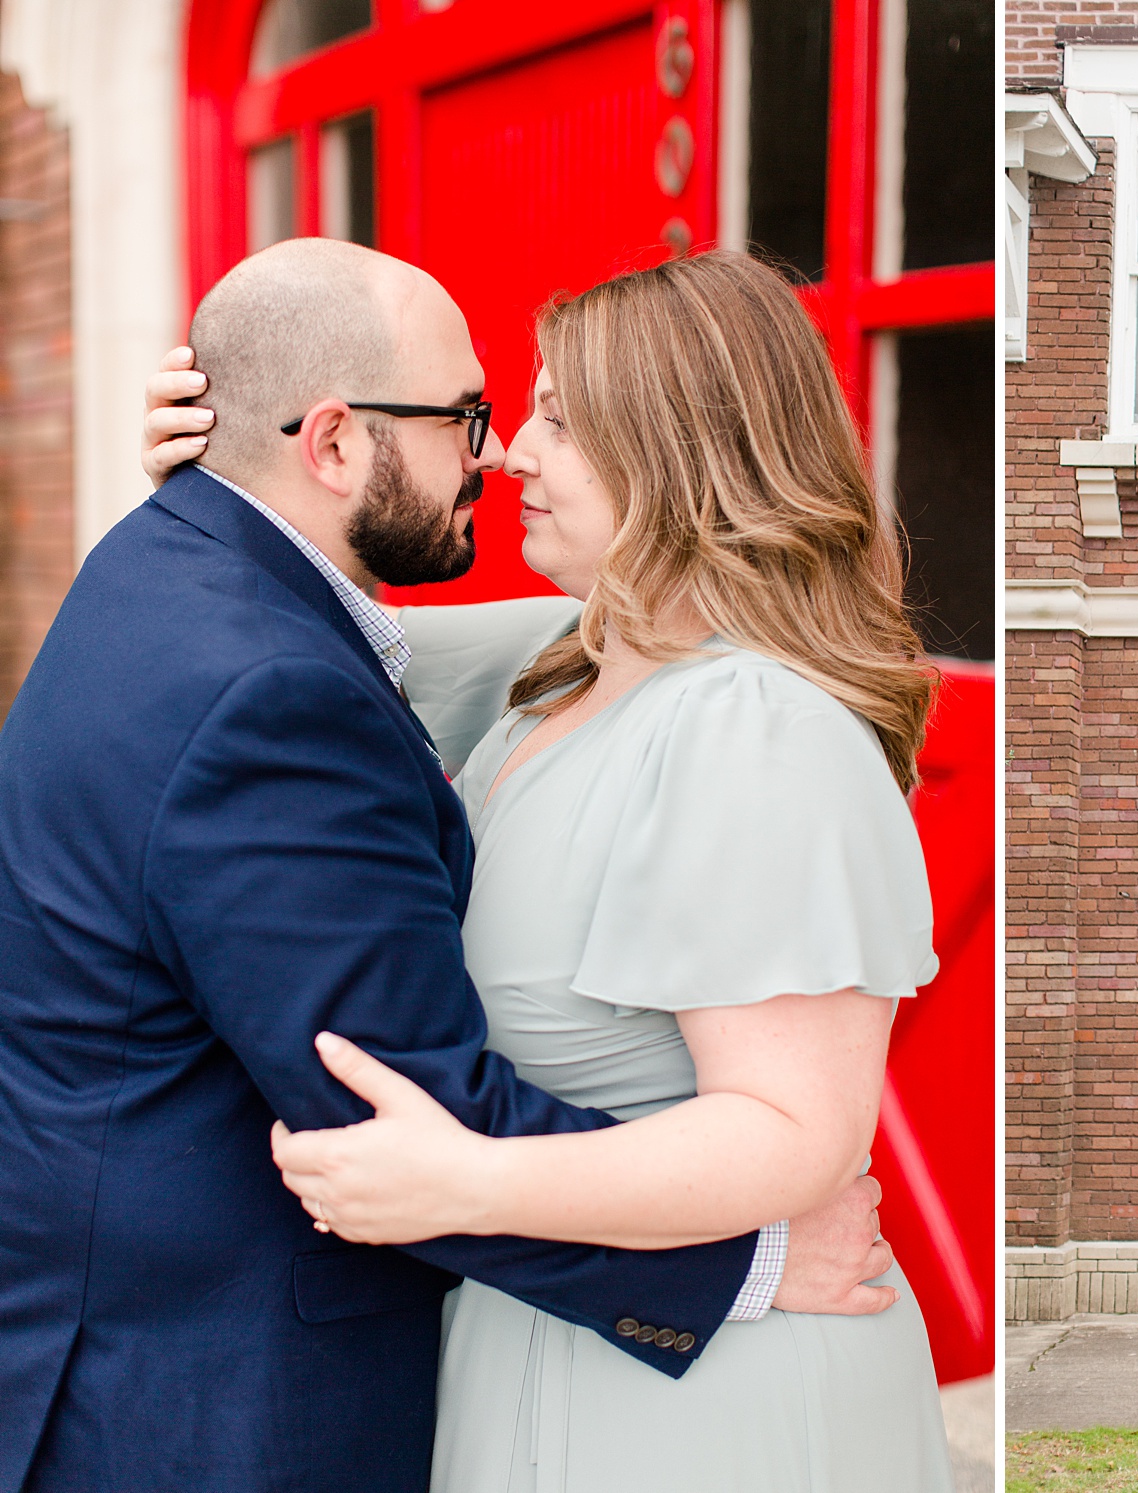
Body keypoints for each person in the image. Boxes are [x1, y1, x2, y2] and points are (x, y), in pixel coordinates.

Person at [0, 238, 891, 1493]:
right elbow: (386, 1098)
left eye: (548, 420)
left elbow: (345, 630)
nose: (503, 451)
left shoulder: (160, 578)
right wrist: (741, 1262)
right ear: (333, 444)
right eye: (478, 414)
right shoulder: (511, 667)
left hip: (634, 1390)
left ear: (677, 457)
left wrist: (223, 484)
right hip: (216, 1388)